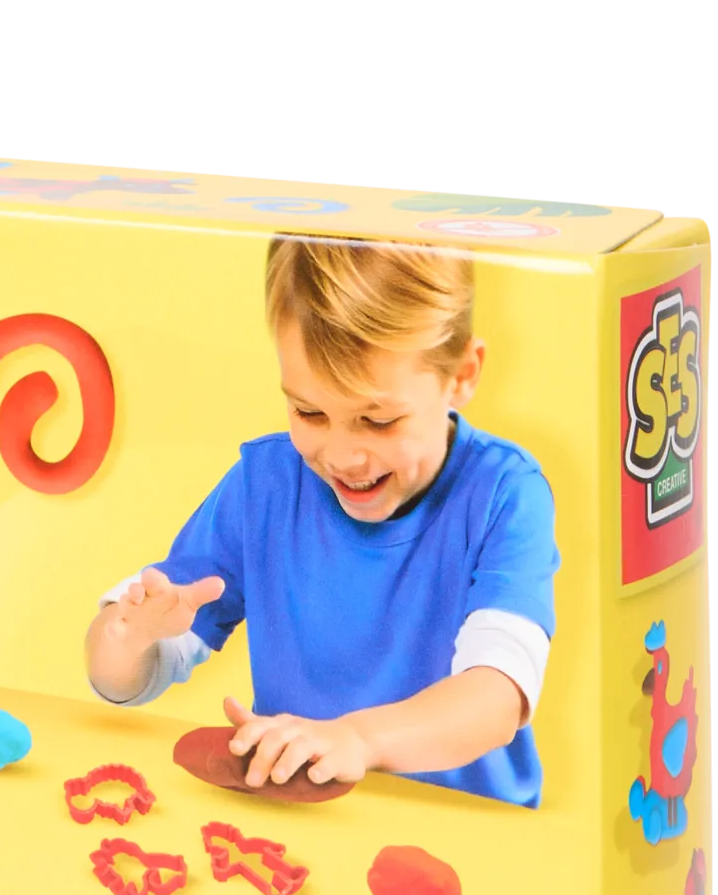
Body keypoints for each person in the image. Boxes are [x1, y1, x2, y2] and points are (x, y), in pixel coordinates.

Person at [85, 237, 559, 806]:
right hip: (304, 825)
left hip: (460, 826)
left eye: (378, 421)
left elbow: (497, 697)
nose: (342, 456)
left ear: (460, 375)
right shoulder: (264, 485)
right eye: (309, 412)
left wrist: (359, 740)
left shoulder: (504, 494)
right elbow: (119, 677)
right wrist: (129, 638)